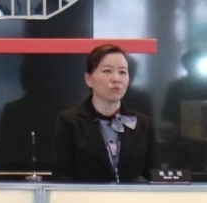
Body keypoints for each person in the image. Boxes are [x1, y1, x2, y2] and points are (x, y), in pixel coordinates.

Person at [51, 44, 159, 182]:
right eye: (107, 71)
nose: (116, 78)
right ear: (89, 79)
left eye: (122, 72)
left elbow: (154, 176)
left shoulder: (143, 123)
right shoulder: (69, 121)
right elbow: (61, 178)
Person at [161, 48, 207, 126]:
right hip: (184, 129)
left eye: (195, 62)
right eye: (190, 63)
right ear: (185, 66)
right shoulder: (176, 86)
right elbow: (167, 114)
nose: (192, 66)